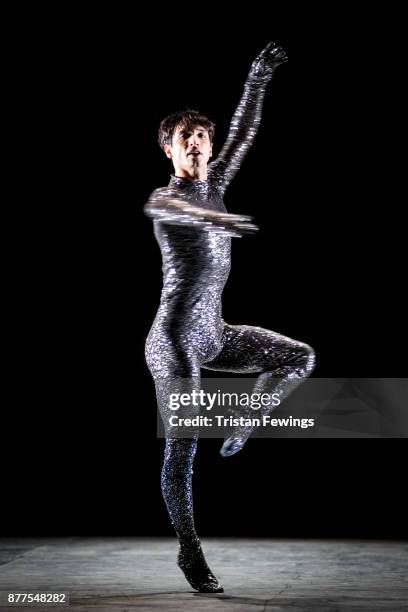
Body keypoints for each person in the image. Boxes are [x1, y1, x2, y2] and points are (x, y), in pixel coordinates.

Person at [144, 41, 315, 593]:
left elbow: (243, 134)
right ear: (169, 150)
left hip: (213, 333)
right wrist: (223, 221)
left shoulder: (216, 187)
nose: (196, 143)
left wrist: (258, 77)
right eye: (185, 138)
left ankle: (245, 420)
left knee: (298, 357)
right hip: (174, 343)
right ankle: (190, 554)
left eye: (202, 138)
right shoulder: (166, 197)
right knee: (183, 452)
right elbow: (171, 209)